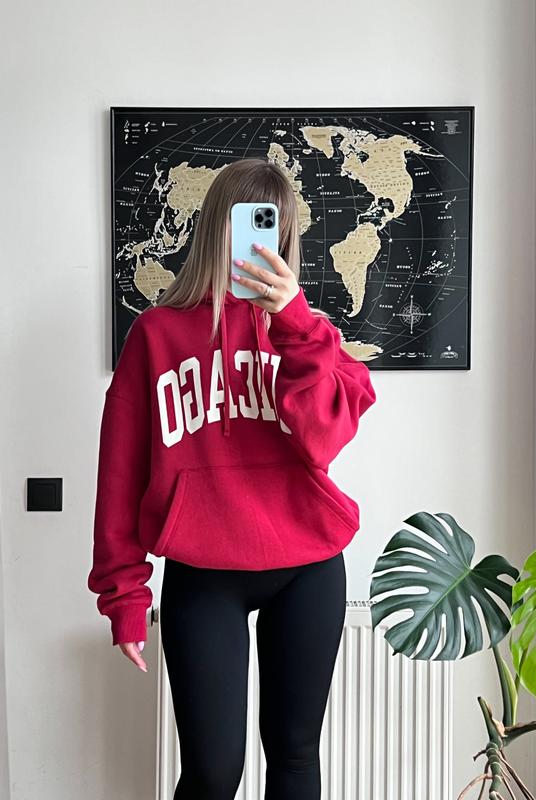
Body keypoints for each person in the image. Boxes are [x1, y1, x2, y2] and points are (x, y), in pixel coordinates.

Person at [87, 157, 377, 799]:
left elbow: (324, 441)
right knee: (213, 773)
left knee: (295, 757)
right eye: (246, 220)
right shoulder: (156, 334)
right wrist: (124, 596)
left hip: (307, 567)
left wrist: (293, 322)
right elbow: (120, 475)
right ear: (218, 223)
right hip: (204, 573)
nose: (259, 237)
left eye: (272, 224)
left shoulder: (309, 334)